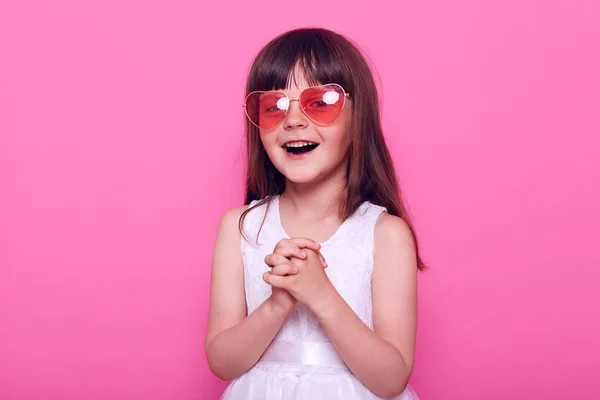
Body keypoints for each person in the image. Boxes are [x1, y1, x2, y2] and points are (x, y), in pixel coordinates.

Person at [205, 27, 426, 400]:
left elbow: (391, 381)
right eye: (273, 106)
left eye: (320, 101)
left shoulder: (385, 234)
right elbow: (223, 363)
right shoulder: (240, 228)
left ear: (359, 118)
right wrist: (278, 303)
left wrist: (320, 295)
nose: (292, 120)